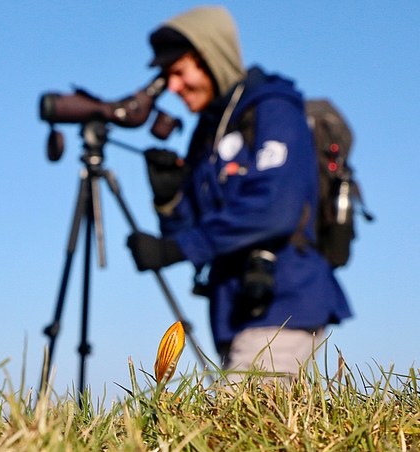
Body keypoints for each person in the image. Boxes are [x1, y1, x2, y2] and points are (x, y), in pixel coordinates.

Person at [127, 6, 352, 379]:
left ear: (212, 59)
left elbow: (275, 208)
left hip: (281, 303)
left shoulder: (272, 108)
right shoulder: (209, 131)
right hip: (232, 311)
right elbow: (196, 232)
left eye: (179, 73)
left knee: (235, 426)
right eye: (167, 77)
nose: (172, 87)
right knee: (248, 430)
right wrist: (169, 201)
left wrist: (176, 250)